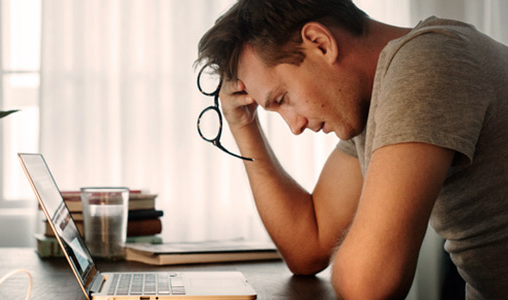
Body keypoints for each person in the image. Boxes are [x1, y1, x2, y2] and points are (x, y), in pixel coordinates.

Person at [195, 0, 508, 299]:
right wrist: (243, 126)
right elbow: (309, 248)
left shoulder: (429, 62)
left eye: (283, 98)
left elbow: (368, 286)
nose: (295, 125)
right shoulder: (373, 100)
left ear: (320, 43)